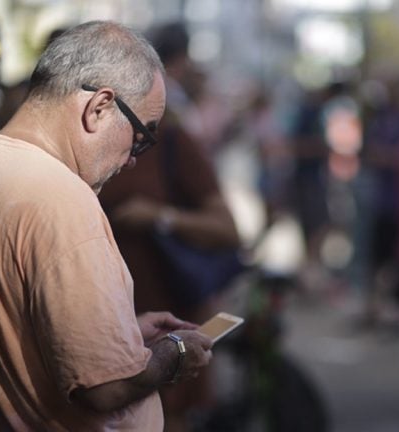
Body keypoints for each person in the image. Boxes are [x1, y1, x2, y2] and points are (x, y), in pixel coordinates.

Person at [0, 21, 213, 431]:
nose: (133, 158)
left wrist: (122, 335)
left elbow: (15, 329)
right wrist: (174, 354)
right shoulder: (62, 198)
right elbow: (105, 388)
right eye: (141, 136)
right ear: (99, 108)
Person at [100, 21, 240, 432]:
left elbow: (228, 229)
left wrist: (160, 216)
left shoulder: (173, 140)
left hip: (166, 310)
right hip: (108, 322)